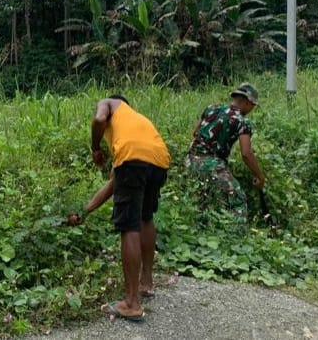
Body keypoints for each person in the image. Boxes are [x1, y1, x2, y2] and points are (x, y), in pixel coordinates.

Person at [67, 94, 170, 322]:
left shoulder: (111, 103)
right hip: (160, 160)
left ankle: (132, 304)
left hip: (135, 158)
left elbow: (98, 119)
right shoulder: (135, 125)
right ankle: (146, 283)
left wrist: (95, 147)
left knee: (129, 226)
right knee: (145, 218)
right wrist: (85, 212)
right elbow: (115, 184)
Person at [186, 83, 265, 221]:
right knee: (238, 199)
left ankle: (201, 231)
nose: (252, 109)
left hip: (190, 159)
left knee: (202, 201)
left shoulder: (212, 109)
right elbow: (246, 153)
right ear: (247, 102)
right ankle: (237, 238)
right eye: (253, 105)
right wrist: (260, 176)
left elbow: (195, 132)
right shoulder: (242, 122)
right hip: (210, 163)